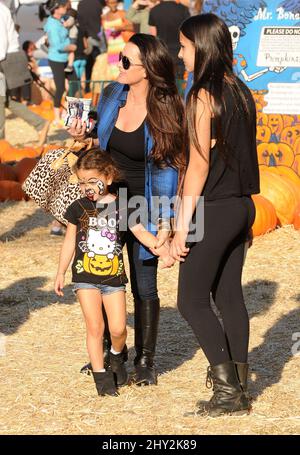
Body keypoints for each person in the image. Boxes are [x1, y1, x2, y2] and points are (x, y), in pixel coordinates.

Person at [67, 33, 185, 386]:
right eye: (121, 58)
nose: (119, 65)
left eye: (127, 62)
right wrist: (80, 136)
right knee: (100, 274)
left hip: (144, 204)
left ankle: (145, 361)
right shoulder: (111, 96)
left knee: (143, 283)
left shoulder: (166, 108)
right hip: (105, 203)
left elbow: (168, 170)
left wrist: (164, 225)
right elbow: (96, 145)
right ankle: (105, 354)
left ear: (147, 70)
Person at [171, 14, 260, 417]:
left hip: (215, 207)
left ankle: (227, 394)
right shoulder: (240, 91)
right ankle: (239, 388)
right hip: (242, 206)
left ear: (202, 47)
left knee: (190, 299)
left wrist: (180, 228)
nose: (179, 53)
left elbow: (198, 166)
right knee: (228, 295)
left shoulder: (201, 96)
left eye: (185, 46)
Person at [54, 148, 174, 396]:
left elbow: (141, 233)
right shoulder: (78, 208)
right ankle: (101, 378)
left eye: (92, 181)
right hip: (84, 277)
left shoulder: (123, 207)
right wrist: (60, 272)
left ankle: (118, 355)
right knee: (95, 327)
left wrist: (163, 249)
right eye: (82, 182)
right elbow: (69, 242)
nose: (87, 187)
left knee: (119, 329)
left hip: (114, 280)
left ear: (108, 178)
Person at [0, 1, 50, 145]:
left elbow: (1, 45)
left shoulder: (0, 11)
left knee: (0, 99)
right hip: (6, 60)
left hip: (6, 60)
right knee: (7, 100)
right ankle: (40, 124)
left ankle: (1, 143)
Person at [44, 0, 78, 126]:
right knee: (60, 88)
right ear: (56, 9)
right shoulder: (52, 25)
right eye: (63, 6)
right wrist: (71, 47)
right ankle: (57, 117)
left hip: (65, 58)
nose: (66, 7)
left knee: (74, 84)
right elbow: (57, 45)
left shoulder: (60, 19)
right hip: (56, 59)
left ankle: (68, 111)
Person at [148, 0, 190, 79]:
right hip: (180, 53)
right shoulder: (183, 9)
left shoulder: (154, 10)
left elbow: (153, 37)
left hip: (162, 52)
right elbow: (188, 33)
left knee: (163, 81)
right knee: (179, 81)